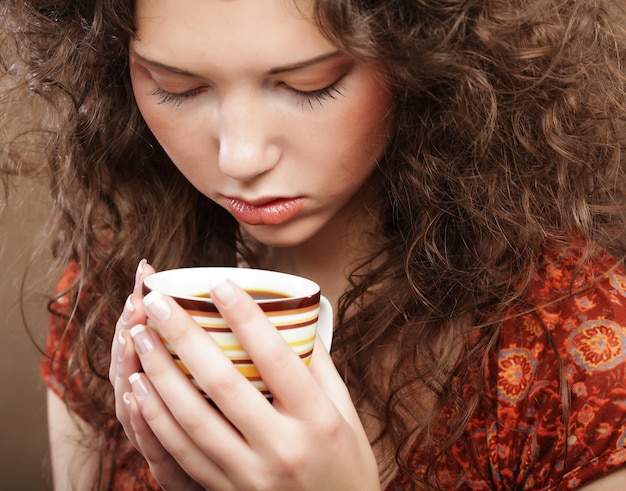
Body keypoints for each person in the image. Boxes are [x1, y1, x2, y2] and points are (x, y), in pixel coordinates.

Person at [2, 0, 626, 489]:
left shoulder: (583, 355)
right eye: (177, 87)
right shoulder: (114, 291)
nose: (240, 157)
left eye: (310, 85)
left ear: (431, 61)